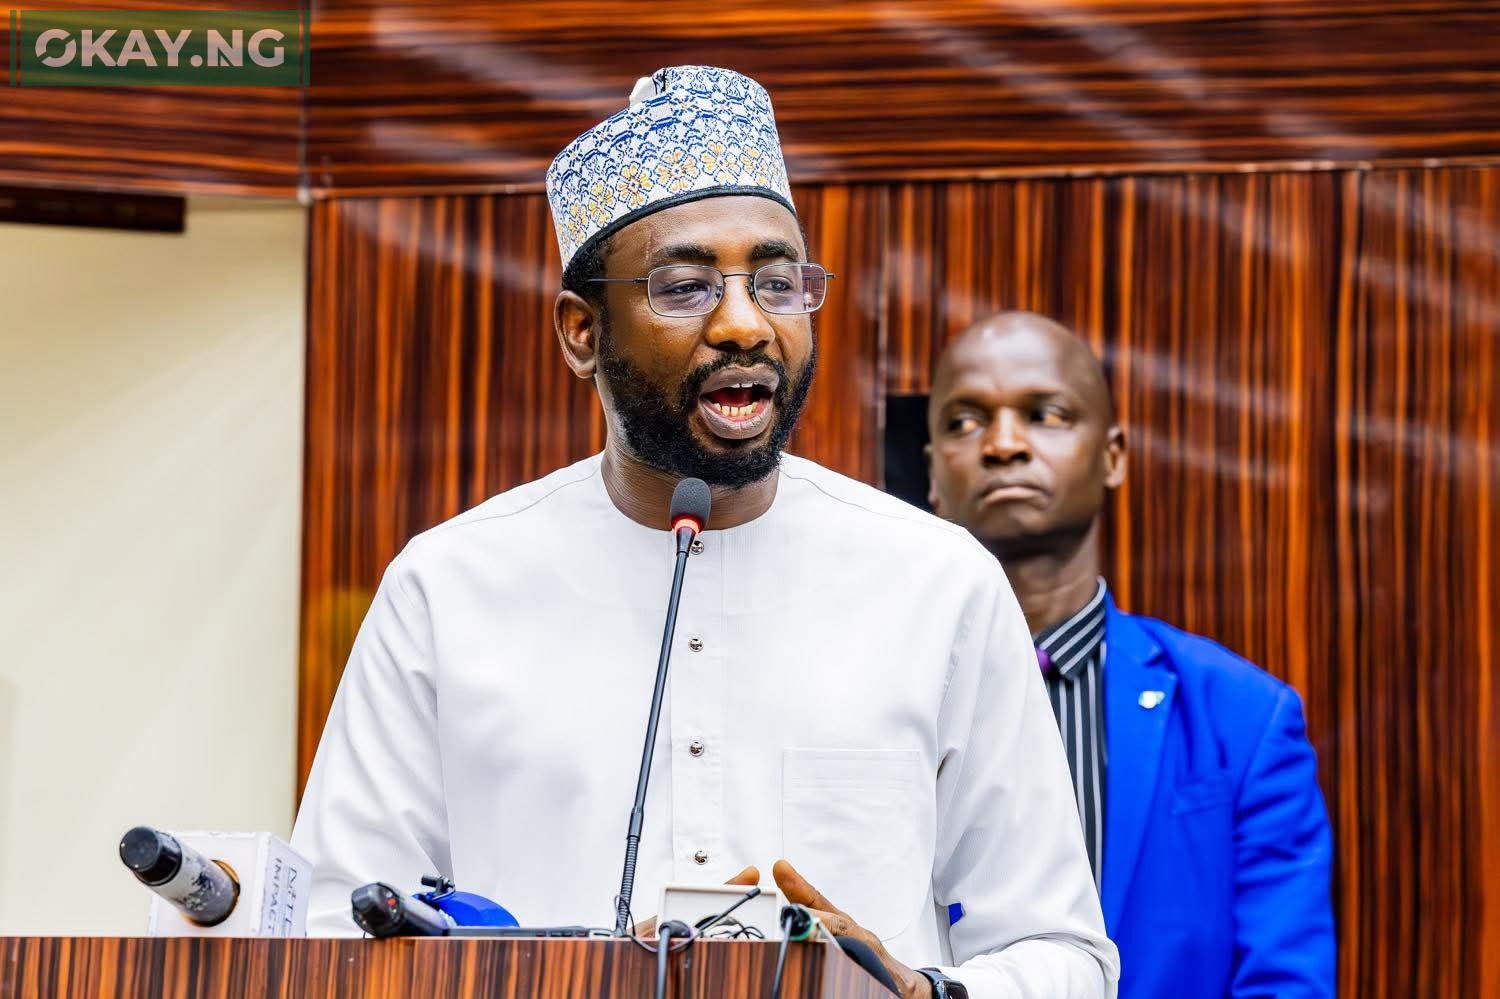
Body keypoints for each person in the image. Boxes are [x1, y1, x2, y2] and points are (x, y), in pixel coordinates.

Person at [291, 68, 1117, 998]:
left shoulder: (938, 582)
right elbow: (334, 936)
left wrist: (925, 992)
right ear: (580, 332)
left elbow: (1063, 954)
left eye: (776, 282)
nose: (744, 323)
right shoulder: (447, 588)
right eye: (685, 287)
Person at [925, 311, 1335, 998]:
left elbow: (1285, 980)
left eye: (1044, 413)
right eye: (964, 422)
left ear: (1113, 455)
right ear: (933, 471)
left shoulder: (1244, 716)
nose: (1002, 444)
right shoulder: (876, 690)